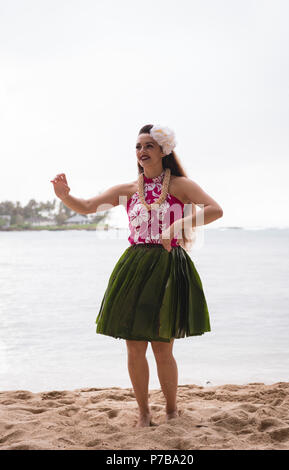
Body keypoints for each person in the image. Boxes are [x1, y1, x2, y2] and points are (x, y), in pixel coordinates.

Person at [50, 123, 223, 428]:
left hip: (169, 267)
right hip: (134, 266)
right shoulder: (128, 190)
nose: (142, 152)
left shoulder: (181, 185)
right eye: (138, 147)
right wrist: (66, 196)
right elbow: (88, 207)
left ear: (163, 151)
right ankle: (144, 413)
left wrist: (178, 226)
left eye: (149, 146)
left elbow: (214, 209)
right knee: (133, 346)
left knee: (162, 346)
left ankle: (171, 410)